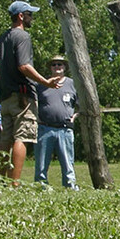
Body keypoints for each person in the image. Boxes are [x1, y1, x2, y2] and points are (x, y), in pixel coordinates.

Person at [0, 0, 62, 185]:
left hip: (7, 97)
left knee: (5, 139)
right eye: (29, 14)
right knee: (22, 137)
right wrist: (44, 82)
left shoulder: (3, 37)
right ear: (20, 16)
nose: (32, 17)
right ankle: (14, 183)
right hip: (22, 97)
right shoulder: (22, 37)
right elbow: (24, 65)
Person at [34, 55, 79, 190]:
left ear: (65, 67)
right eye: (54, 64)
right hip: (44, 129)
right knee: (41, 162)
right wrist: (37, 118)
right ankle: (41, 186)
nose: (57, 67)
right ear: (50, 68)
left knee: (68, 162)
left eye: (60, 64)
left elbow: (81, 105)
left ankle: (70, 186)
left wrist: (74, 117)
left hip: (65, 129)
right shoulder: (42, 84)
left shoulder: (72, 84)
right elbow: (33, 103)